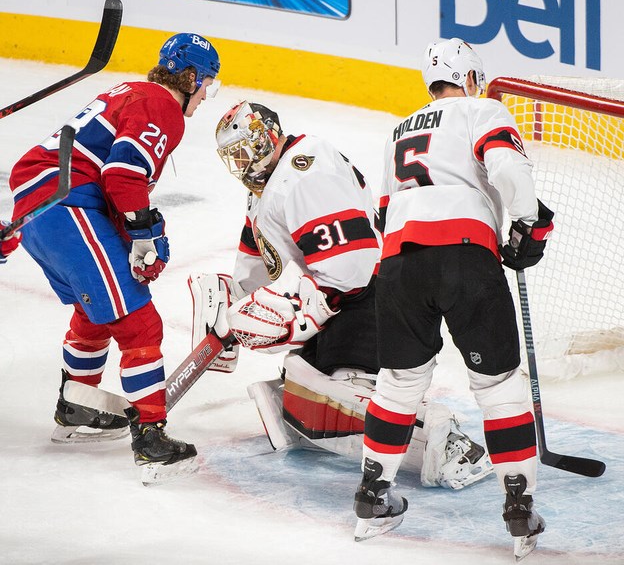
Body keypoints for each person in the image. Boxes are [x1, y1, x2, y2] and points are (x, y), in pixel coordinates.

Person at [191, 100, 492, 489]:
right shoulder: (265, 186)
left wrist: (299, 311)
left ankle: (447, 443)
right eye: (234, 157)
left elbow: (354, 262)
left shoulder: (306, 173)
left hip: (369, 296)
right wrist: (237, 305)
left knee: (343, 389)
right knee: (303, 384)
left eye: (246, 150)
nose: (242, 163)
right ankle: (326, 395)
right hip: (342, 297)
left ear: (267, 138)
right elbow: (257, 255)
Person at [351, 38, 553, 558]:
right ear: (470, 78)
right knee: (499, 383)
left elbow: (381, 212)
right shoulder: (482, 108)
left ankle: (373, 498)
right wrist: (528, 222)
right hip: (465, 259)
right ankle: (519, 510)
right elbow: (507, 169)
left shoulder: (400, 129)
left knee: (399, 383)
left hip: (397, 265)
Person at [6, 32, 221, 482]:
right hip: (66, 204)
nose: (206, 96)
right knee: (140, 323)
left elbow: (110, 178)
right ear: (189, 76)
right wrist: (142, 235)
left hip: (43, 204)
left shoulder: (129, 92)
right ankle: (152, 440)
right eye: (208, 85)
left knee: (99, 309)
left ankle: (78, 406)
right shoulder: (162, 105)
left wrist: (138, 227)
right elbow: (123, 173)